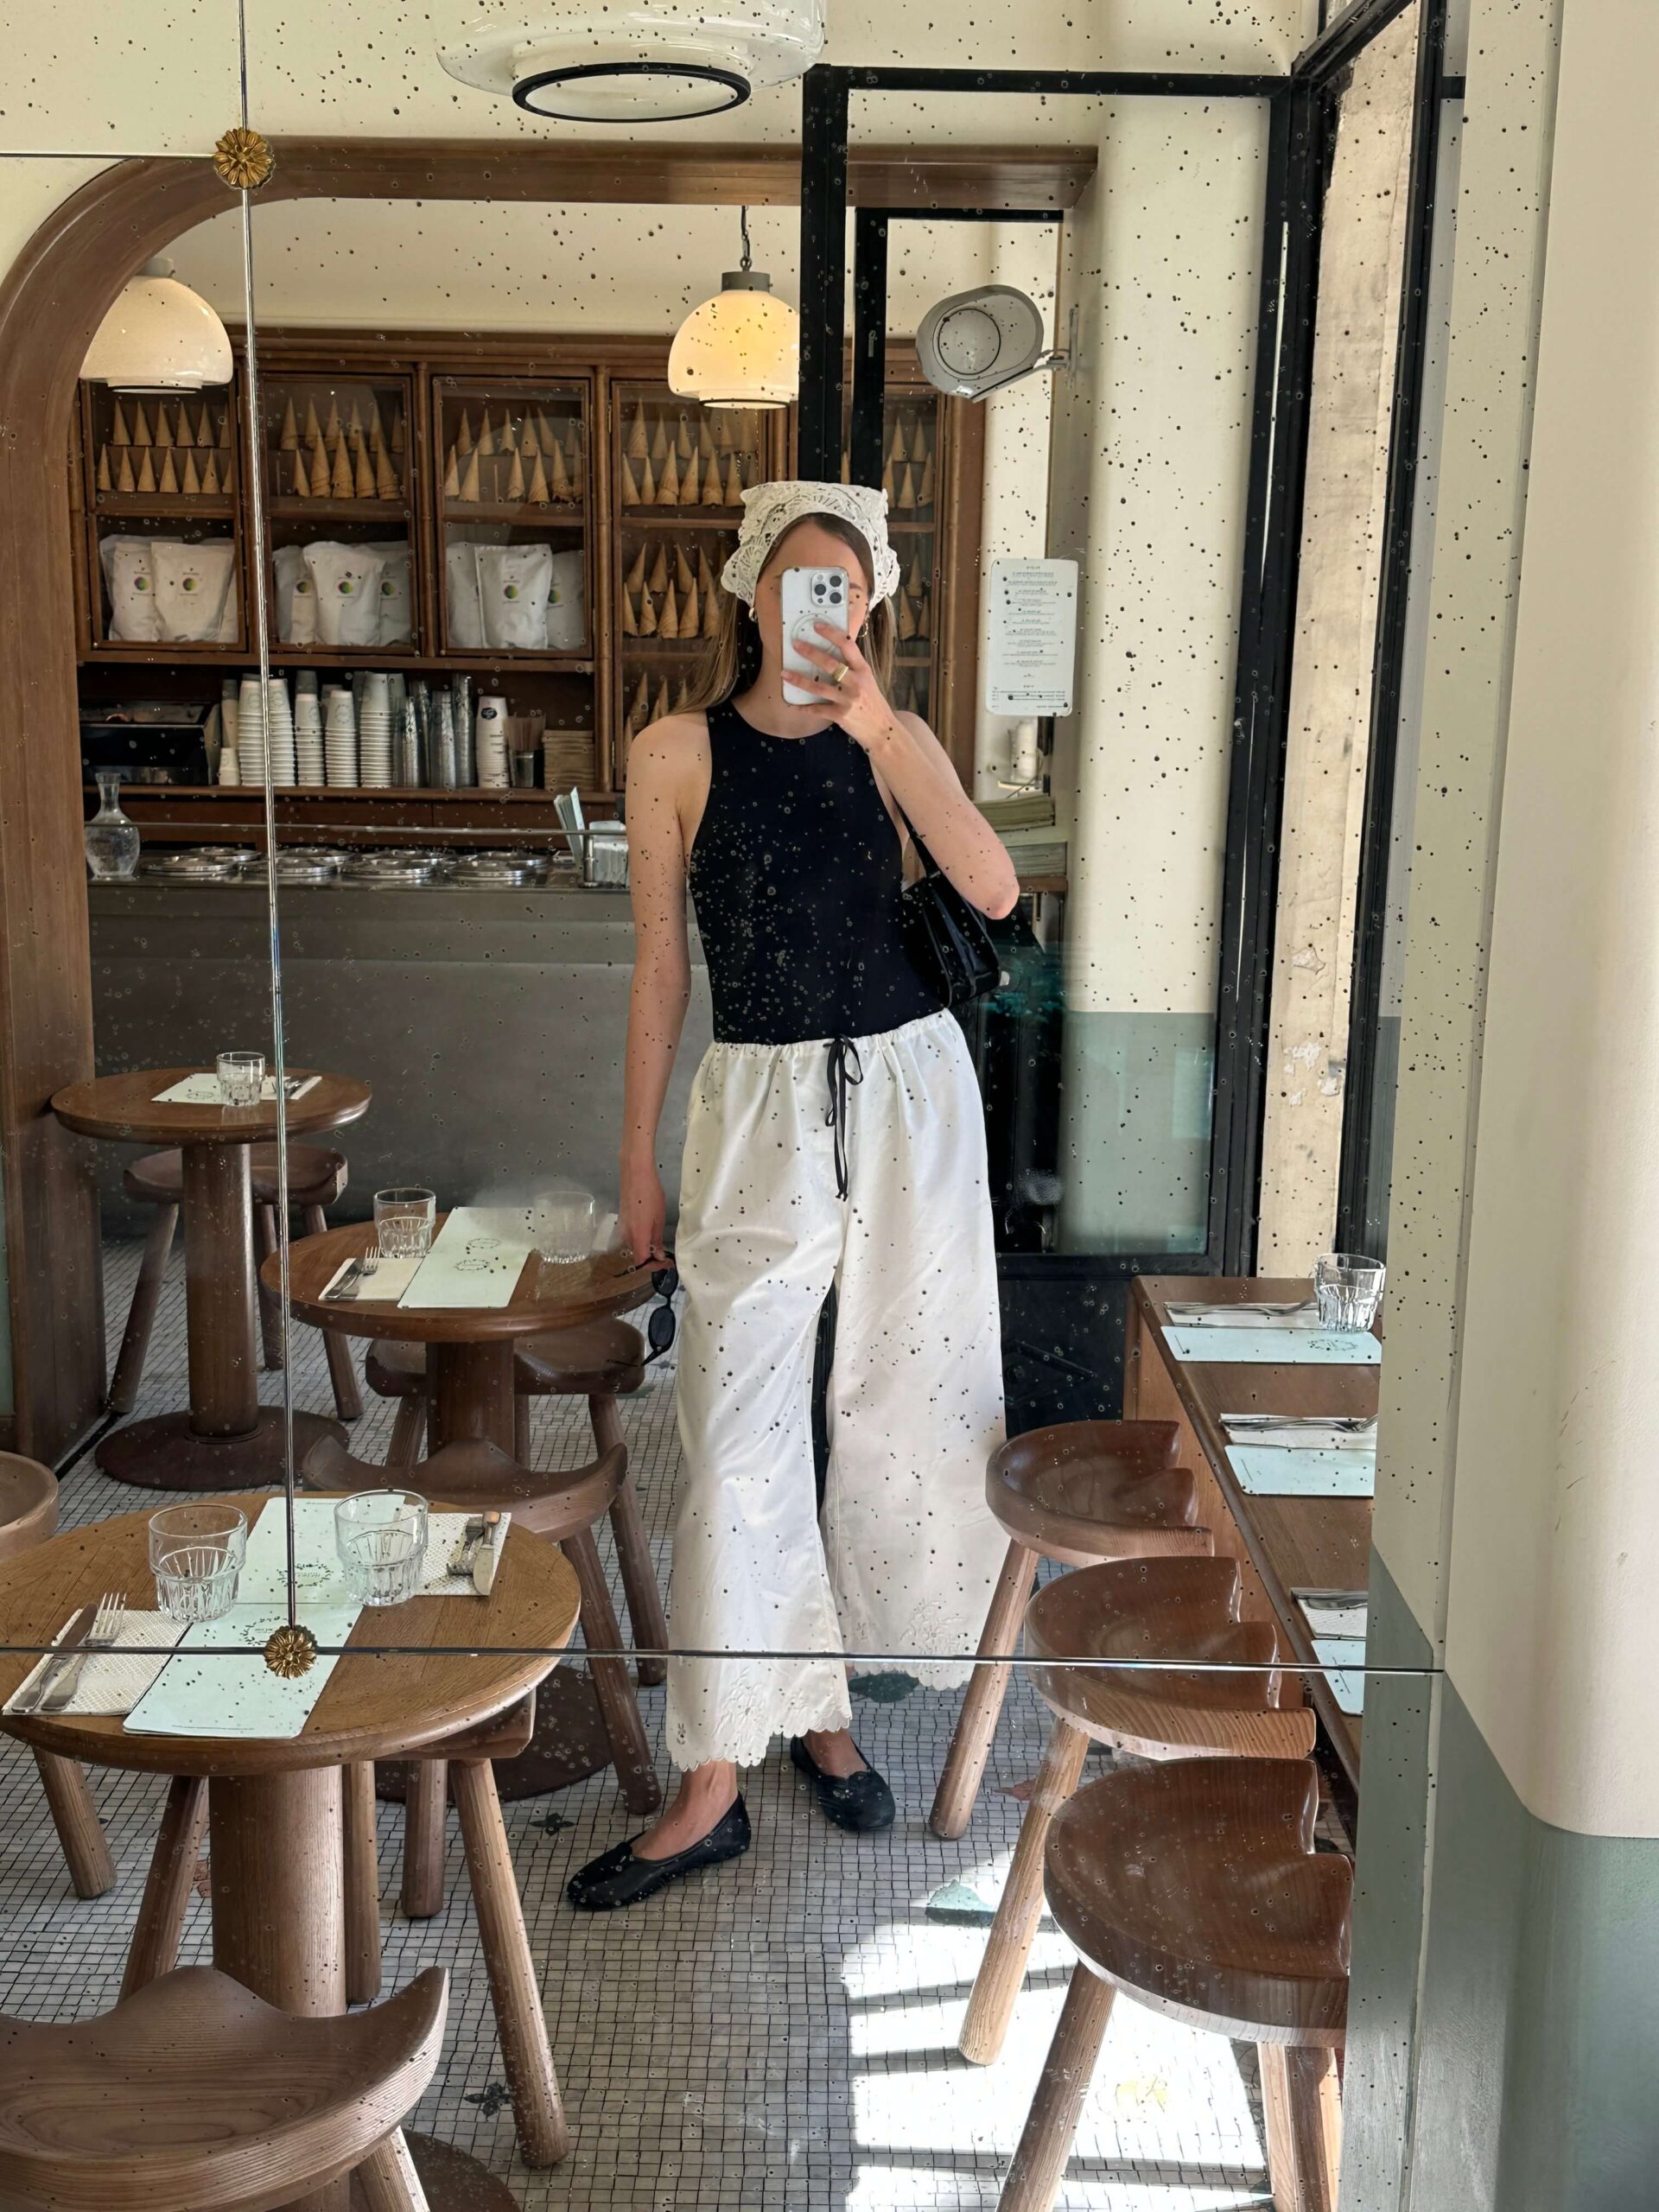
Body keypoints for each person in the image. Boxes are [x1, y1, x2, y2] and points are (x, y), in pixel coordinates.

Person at [567, 480, 1021, 1910]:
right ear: (750, 594)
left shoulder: (898, 740)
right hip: (757, 1106)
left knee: (895, 1408)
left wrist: (883, 729)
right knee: (732, 1421)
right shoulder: (672, 751)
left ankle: (825, 1711)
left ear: (870, 607)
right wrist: (636, 1158)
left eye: (849, 590)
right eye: (799, 583)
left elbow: (995, 891)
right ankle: (713, 1773)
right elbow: (661, 968)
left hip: (908, 1094)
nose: (824, 610)